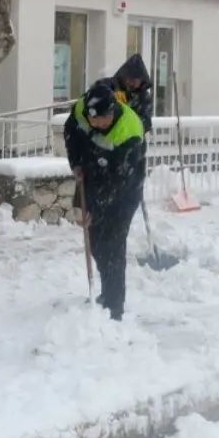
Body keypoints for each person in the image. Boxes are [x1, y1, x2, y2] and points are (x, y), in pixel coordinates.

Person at [64, 81, 147, 320]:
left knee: (113, 244)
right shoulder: (82, 110)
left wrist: (96, 209)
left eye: (103, 120)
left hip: (124, 189)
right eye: (94, 120)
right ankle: (105, 292)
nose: (98, 125)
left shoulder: (129, 131)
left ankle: (115, 304)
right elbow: (71, 134)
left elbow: (118, 181)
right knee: (96, 242)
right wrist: (76, 164)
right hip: (93, 176)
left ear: (112, 112)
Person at [96, 53, 154, 134]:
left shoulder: (143, 97)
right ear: (123, 75)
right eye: (129, 78)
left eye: (135, 80)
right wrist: (110, 101)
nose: (130, 83)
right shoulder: (105, 86)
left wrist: (123, 111)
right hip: (101, 141)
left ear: (142, 80)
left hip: (131, 143)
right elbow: (91, 109)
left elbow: (146, 124)